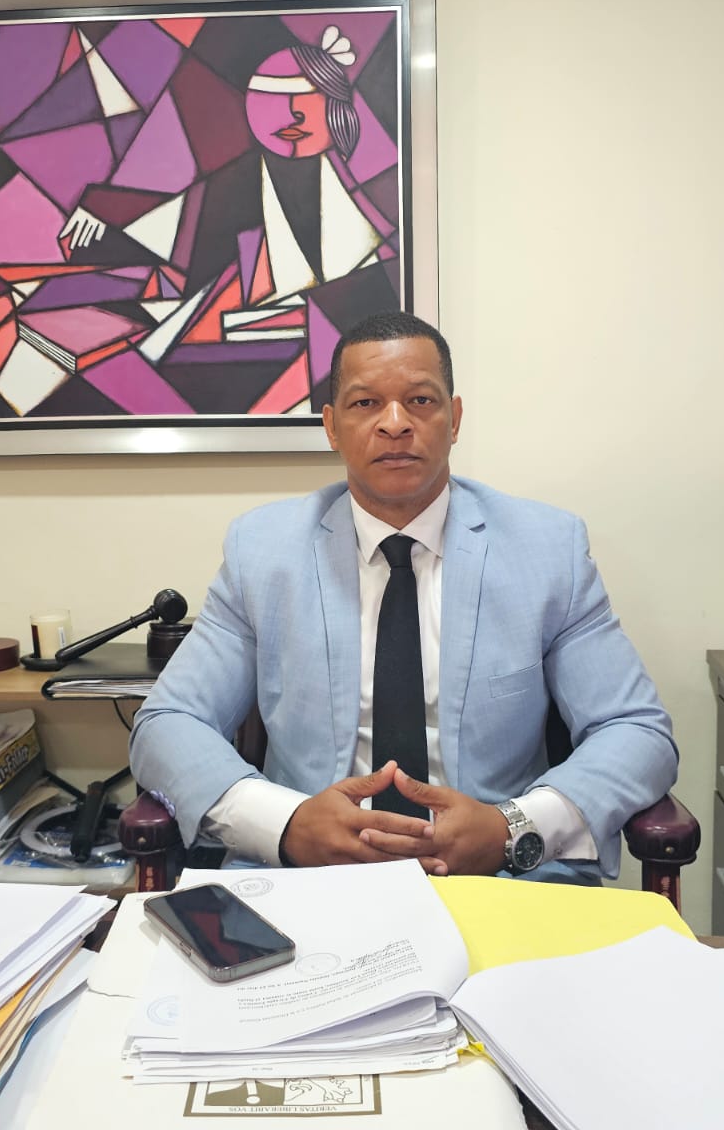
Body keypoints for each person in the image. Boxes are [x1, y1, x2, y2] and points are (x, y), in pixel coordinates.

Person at [130, 311, 677, 883]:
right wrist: (287, 824)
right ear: (332, 426)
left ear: (454, 419)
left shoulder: (547, 550)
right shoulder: (263, 552)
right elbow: (168, 722)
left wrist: (511, 828)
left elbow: (636, 730)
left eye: (420, 400)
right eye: (366, 403)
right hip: (311, 883)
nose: (395, 424)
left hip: (499, 882)